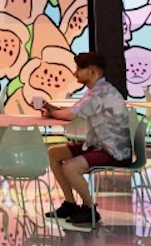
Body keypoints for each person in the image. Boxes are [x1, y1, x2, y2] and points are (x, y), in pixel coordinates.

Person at [38, 52, 133, 228]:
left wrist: (51, 111)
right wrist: (51, 109)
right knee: (54, 153)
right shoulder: (96, 91)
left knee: (71, 167)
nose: (75, 73)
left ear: (92, 71)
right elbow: (73, 111)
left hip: (113, 150)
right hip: (99, 144)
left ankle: (89, 208)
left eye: (79, 69)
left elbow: (70, 115)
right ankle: (70, 204)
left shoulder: (100, 94)